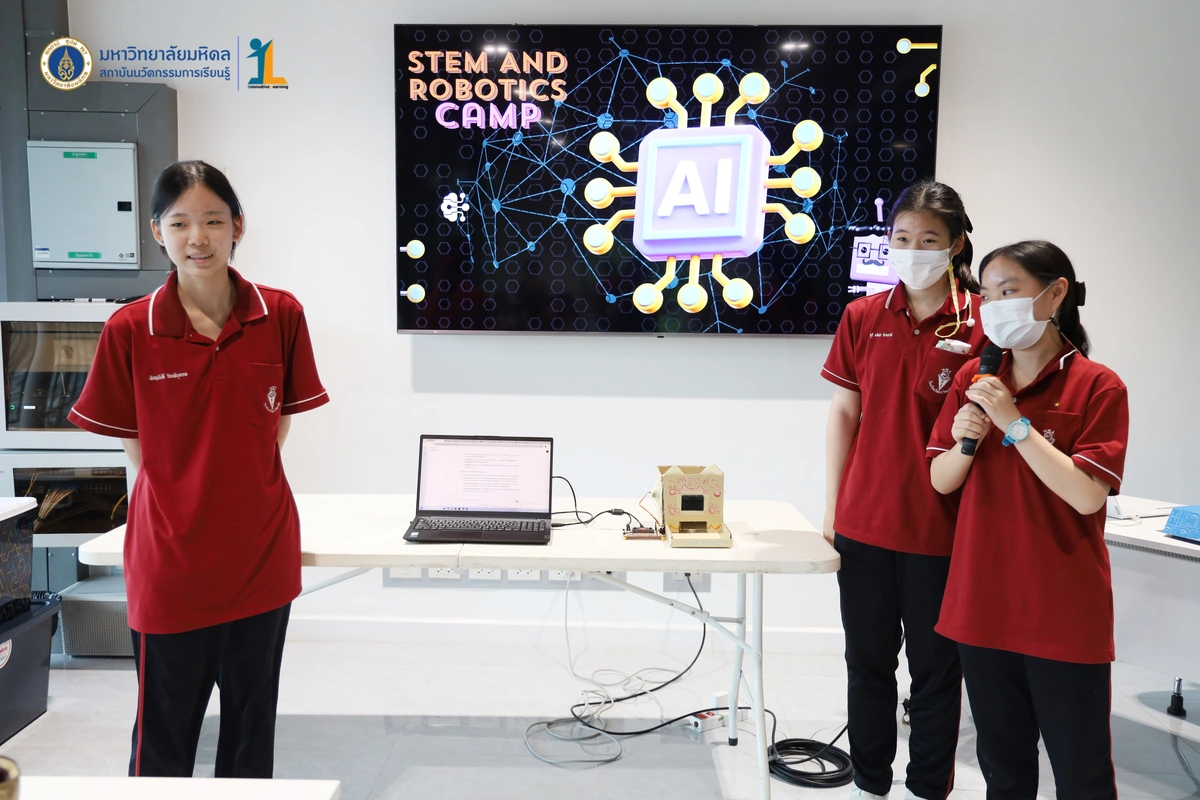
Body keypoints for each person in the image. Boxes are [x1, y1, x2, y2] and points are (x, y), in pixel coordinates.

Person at [67, 161, 329, 778]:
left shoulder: (280, 315)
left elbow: (276, 427)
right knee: (164, 735)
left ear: (238, 225)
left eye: (213, 220)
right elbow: (136, 447)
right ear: (157, 231)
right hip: (172, 563)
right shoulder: (130, 328)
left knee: (250, 732)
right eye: (180, 222)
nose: (198, 238)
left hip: (260, 557)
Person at [928, 240, 1127, 799]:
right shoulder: (976, 378)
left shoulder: (1097, 385)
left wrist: (1014, 423)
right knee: (1004, 769)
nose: (994, 308)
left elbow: (1086, 496)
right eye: (987, 296)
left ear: (1056, 294)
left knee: (1081, 772)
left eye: (1009, 292)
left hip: (1062, 610)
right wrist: (967, 439)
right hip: (982, 603)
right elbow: (941, 480)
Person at [822, 181, 987, 800]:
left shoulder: (982, 323)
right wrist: (833, 506)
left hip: (944, 530)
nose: (913, 250)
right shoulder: (864, 316)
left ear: (956, 244)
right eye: (902, 238)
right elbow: (845, 413)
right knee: (867, 665)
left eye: (929, 239)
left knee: (936, 673)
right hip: (864, 522)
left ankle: (927, 788)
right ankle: (870, 781)